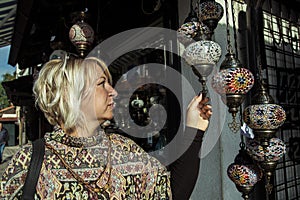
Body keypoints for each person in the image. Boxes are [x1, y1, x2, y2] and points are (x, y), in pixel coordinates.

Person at [0, 54, 212, 199]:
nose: (114, 91)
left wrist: (194, 129)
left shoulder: (124, 150)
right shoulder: (30, 160)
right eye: (102, 83)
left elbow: (171, 193)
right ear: (73, 95)